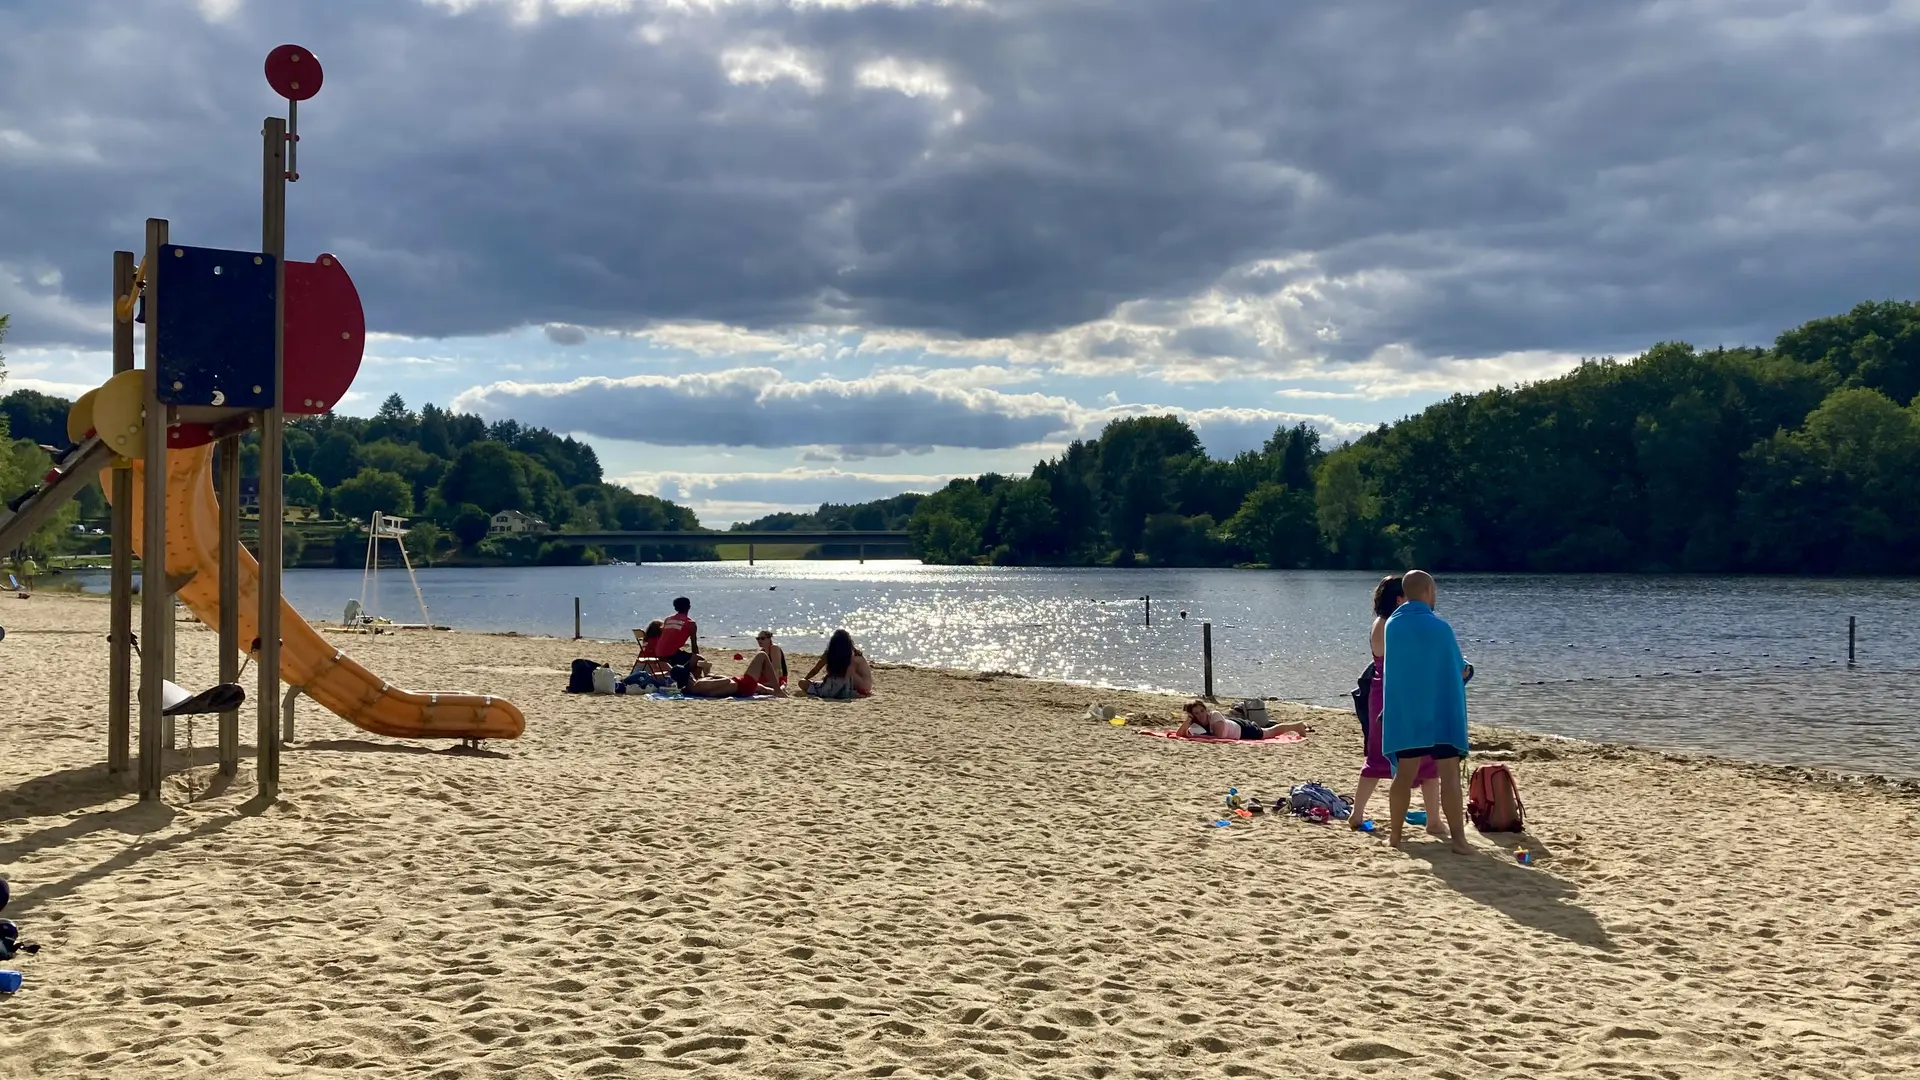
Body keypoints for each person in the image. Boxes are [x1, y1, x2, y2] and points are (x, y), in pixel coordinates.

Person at [1381, 570, 1473, 854]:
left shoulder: (1392, 626)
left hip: (1407, 713)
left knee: (1404, 775)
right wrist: (1467, 670)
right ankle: (1459, 841)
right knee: (1449, 775)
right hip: (1442, 711)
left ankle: (1395, 836)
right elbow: (1457, 667)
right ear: (1429, 591)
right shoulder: (1440, 628)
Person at [1350, 575, 1446, 836]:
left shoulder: (1380, 623)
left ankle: (1357, 813)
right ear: (1399, 599)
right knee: (1427, 760)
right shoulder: (1395, 624)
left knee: (1377, 757)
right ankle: (1434, 821)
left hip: (1380, 692)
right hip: (1398, 694)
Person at [1179, 699, 1310, 740]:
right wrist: (1188, 720)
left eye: (1202, 711)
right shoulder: (1195, 723)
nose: (1200, 715)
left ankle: (1296, 726)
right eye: (1196, 713)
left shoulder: (1214, 715)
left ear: (1206, 710)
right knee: (1268, 731)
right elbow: (1180, 734)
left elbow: (1219, 736)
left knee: (1268, 732)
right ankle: (1297, 726)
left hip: (1243, 729)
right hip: (1234, 727)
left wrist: (1198, 736)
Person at [681, 649, 786, 698]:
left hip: (740, 689)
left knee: (763, 689)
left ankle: (780, 690)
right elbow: (726, 680)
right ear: (688, 677)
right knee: (762, 655)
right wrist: (712, 675)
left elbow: (714, 689)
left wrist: (708, 675)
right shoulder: (699, 684)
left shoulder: (694, 688)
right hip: (742, 684)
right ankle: (778, 690)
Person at [802, 629, 874, 699]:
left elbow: (815, 670)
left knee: (802, 682)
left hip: (828, 689)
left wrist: (806, 678)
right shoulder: (852, 655)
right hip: (846, 689)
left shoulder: (829, 654)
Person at [649, 597, 708, 677]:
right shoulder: (690, 623)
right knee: (700, 660)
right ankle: (693, 679)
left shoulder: (668, 620)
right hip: (671, 654)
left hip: (659, 652)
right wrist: (695, 658)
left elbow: (668, 638)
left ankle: (689, 676)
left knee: (685, 656)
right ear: (689, 607)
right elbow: (694, 645)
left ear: (675, 608)